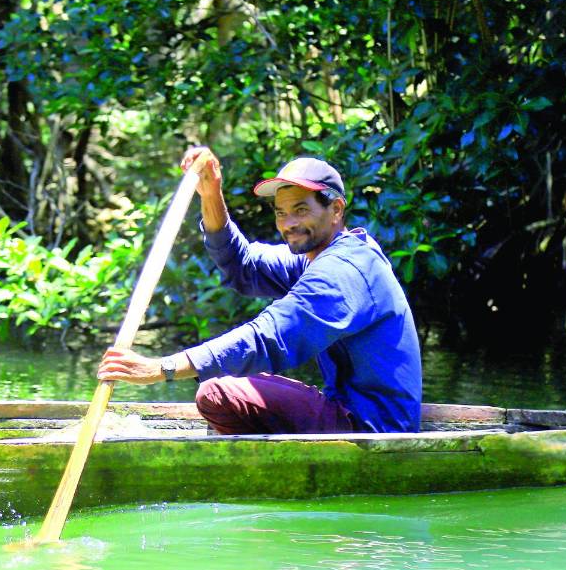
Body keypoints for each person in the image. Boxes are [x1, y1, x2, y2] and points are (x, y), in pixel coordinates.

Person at [97, 146, 422, 434]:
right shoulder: (314, 259)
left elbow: (270, 335)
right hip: (349, 411)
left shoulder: (345, 271)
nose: (288, 224)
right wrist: (211, 193)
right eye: (281, 212)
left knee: (216, 395)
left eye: (301, 210)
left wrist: (162, 368)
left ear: (336, 210)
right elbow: (243, 265)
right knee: (225, 394)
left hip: (372, 427)